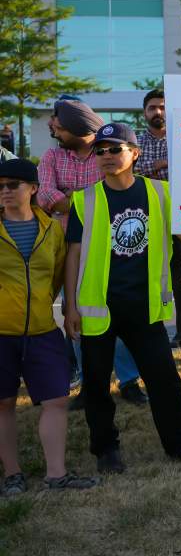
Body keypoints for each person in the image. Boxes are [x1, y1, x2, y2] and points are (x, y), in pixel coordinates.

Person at [64, 122, 181, 473]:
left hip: (144, 307)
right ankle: (106, 450)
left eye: (115, 149)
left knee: (164, 379)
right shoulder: (83, 199)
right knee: (96, 384)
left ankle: (179, 443)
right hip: (98, 308)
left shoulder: (161, 193)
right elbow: (73, 255)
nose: (106, 156)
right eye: (100, 151)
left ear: (135, 153)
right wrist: (70, 307)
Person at [38, 99, 146, 407]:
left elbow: (114, 193)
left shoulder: (106, 153)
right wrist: (86, 201)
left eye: (60, 127)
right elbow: (45, 195)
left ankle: (129, 381)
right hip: (65, 249)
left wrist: (70, 199)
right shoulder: (52, 156)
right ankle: (90, 384)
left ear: (77, 127)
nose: (54, 131)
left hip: (110, 247)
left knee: (119, 311)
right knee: (76, 314)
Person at [0, 158, 98, 495]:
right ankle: (12, 474)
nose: (5, 191)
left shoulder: (52, 230)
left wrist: (62, 307)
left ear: (33, 189)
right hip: (1, 333)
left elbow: (58, 275)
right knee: (3, 403)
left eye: (12, 185)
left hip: (42, 328)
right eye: (0, 186)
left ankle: (57, 475)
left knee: (56, 398)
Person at [135, 88, 181, 365]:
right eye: (152, 107)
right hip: (145, 218)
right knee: (150, 282)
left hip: (180, 217)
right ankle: (154, 343)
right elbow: (131, 174)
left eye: (162, 107)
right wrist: (164, 163)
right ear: (144, 112)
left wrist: (154, 167)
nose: (158, 112)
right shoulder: (135, 141)